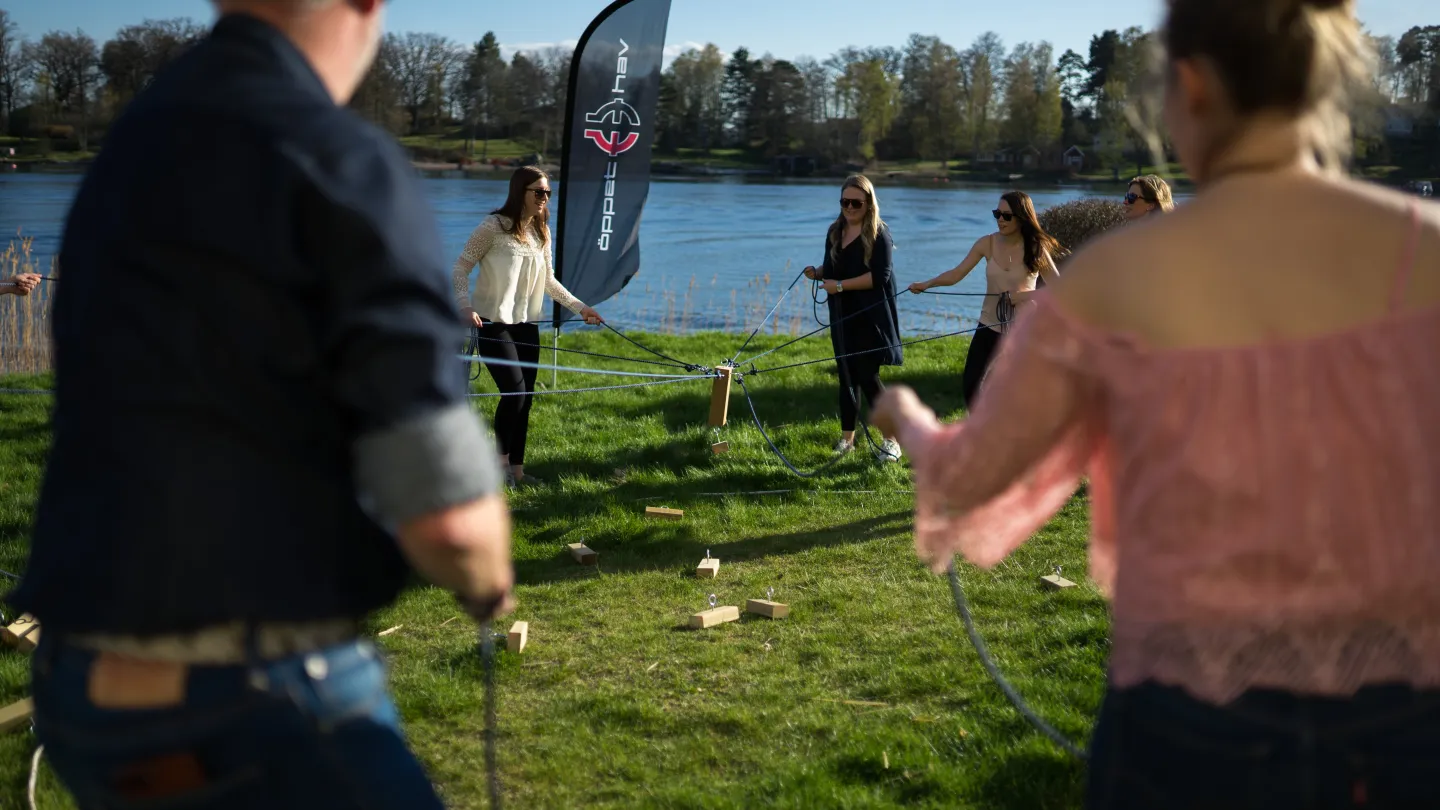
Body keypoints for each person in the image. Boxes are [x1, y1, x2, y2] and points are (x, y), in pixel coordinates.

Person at [873, 0, 1440, 806]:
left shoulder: (1117, 278)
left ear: (1193, 84)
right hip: (1411, 726)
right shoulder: (1430, 252)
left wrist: (904, 419)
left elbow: (973, 476)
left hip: (1188, 716)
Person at [7, 2, 515, 808]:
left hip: (80, 678)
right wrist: (489, 574)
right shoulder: (337, 158)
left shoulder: (141, 137)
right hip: (246, 684)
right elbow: (446, 510)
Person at [452, 166, 603, 489]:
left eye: (548, 193)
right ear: (519, 191)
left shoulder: (541, 232)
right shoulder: (493, 227)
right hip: (493, 325)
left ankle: (518, 472)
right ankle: (498, 468)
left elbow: (549, 281)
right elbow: (460, 269)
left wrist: (581, 307)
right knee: (515, 394)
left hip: (527, 327)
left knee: (526, 397)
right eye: (538, 192)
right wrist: (464, 306)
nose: (544, 198)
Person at [907, 191, 1061, 410]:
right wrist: (927, 284)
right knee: (971, 385)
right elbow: (956, 274)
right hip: (989, 325)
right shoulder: (987, 243)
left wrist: (1022, 296)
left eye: (1006, 215)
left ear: (1021, 217)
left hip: (1025, 329)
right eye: (997, 213)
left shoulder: (1036, 247)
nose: (1000, 219)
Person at [801, 175, 904, 461]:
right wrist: (820, 272)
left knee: (867, 376)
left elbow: (880, 276)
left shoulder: (879, 234)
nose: (849, 207)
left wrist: (841, 285)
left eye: (855, 202)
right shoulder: (835, 230)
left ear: (869, 203)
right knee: (845, 376)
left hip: (870, 315)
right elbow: (838, 265)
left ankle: (891, 440)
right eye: (844, 201)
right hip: (841, 314)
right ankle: (847, 440)